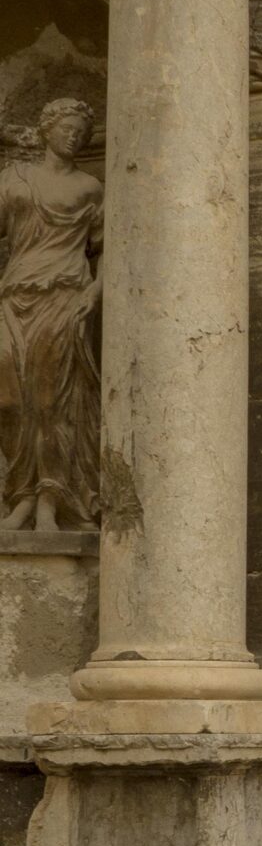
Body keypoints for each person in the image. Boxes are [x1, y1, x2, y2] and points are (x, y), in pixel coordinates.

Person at [0, 97, 103, 532]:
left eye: (80, 131)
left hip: (63, 297)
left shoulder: (89, 188)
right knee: (9, 399)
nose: (73, 136)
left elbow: (108, 247)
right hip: (15, 295)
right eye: (66, 127)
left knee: (50, 402)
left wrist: (96, 291)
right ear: (46, 129)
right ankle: (19, 492)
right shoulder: (12, 179)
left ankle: (48, 496)